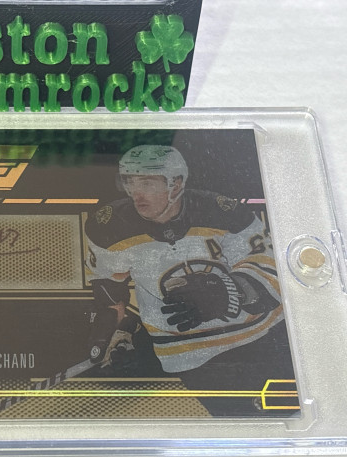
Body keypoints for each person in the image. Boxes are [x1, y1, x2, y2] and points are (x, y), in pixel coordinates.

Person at [84, 145, 295, 416]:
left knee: (294, 414)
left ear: (176, 184)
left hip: (262, 335)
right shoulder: (110, 228)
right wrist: (112, 333)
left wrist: (228, 291)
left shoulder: (221, 211)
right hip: (189, 354)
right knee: (246, 426)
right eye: (130, 183)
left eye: (147, 183)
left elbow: (273, 267)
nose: (137, 194)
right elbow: (110, 294)